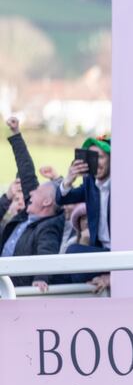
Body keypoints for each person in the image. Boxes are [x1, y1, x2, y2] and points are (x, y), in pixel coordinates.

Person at [0, 117, 64, 292]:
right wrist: (16, 133)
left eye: (36, 192)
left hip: (11, 291)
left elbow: (47, 251)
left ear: (46, 201)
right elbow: (26, 171)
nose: (31, 193)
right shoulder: (26, 216)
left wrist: (41, 278)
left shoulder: (48, 227)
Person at [56, 135, 111, 255]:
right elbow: (62, 198)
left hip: (120, 251)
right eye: (92, 157)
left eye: (100, 157)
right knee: (70, 253)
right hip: (100, 250)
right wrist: (69, 180)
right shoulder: (90, 183)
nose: (95, 162)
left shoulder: (120, 187)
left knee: (72, 252)